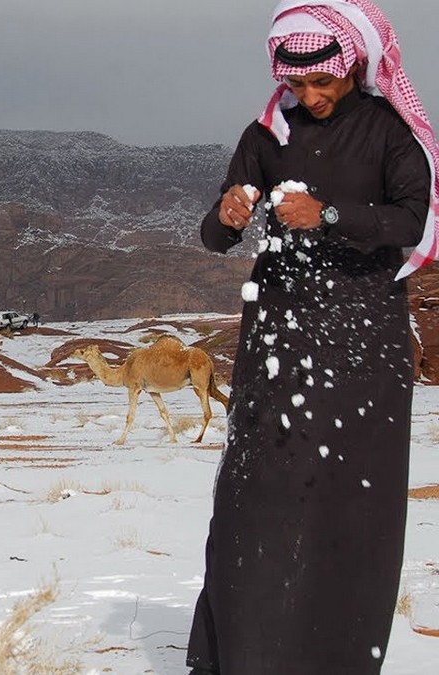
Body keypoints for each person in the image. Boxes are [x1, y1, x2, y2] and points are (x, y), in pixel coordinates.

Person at [187, 1, 439, 673]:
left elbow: (413, 219)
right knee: (257, 495)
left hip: (364, 342)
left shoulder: (389, 135)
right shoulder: (265, 136)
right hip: (280, 339)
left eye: (322, 82)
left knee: (349, 501)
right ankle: (243, 654)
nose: (312, 96)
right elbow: (214, 236)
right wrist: (228, 213)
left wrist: (328, 214)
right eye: (298, 85)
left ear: (353, 64)